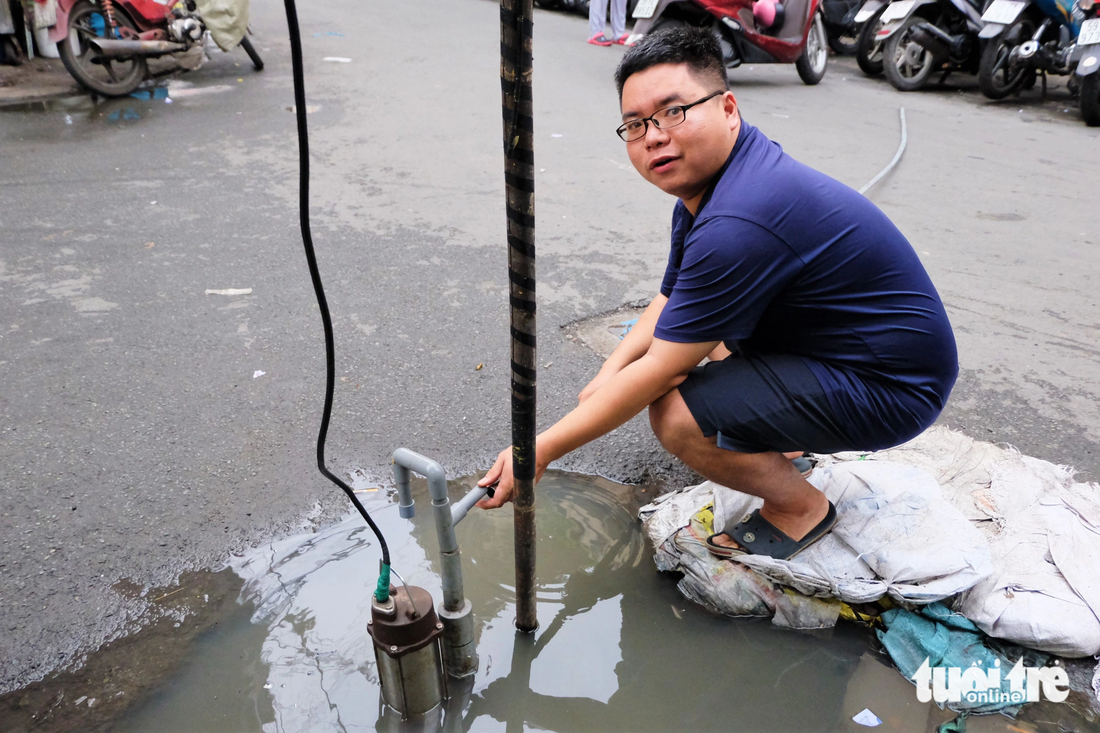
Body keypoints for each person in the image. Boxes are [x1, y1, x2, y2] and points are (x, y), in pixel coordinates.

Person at [477, 26, 958, 561]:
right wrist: (606, 377)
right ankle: (786, 439)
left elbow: (662, 367)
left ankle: (800, 509)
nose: (654, 136)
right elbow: (671, 300)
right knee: (703, 346)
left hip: (893, 387)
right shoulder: (714, 187)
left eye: (673, 112)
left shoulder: (739, 218)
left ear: (728, 107)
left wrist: (537, 451)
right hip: (845, 350)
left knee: (676, 415)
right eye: (635, 125)